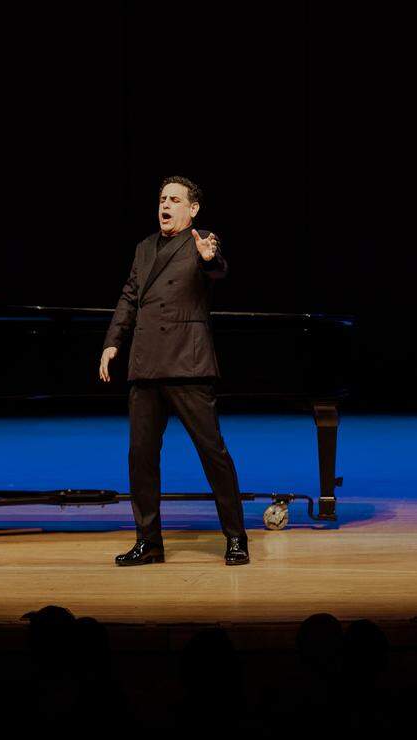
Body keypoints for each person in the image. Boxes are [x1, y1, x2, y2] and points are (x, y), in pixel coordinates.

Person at [99, 177, 249, 566]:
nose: (165, 205)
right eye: (162, 199)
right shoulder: (144, 247)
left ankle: (236, 537)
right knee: (141, 457)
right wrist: (113, 342)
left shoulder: (202, 241)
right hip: (146, 365)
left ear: (192, 209)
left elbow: (217, 269)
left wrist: (208, 258)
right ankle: (148, 542)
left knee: (212, 453)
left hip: (187, 364)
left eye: (174, 200)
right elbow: (129, 297)